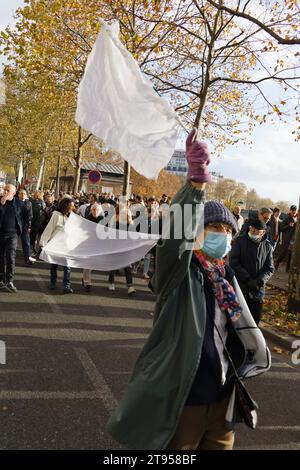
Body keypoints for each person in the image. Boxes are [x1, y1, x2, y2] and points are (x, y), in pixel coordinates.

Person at [106, 129, 270, 450]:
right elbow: (173, 240)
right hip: (186, 400)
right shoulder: (179, 272)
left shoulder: (226, 278)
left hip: (223, 400)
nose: (221, 235)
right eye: (213, 228)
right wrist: (195, 186)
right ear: (197, 231)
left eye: (227, 230)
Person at [229, 218, 274, 325]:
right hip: (241, 288)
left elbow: (270, 268)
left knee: (254, 321)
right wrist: (248, 279)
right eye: (252, 230)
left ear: (262, 233)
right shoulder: (239, 241)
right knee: (238, 322)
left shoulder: (267, 246)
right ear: (249, 228)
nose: (254, 233)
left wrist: (260, 281)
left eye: (257, 232)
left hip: (258, 290)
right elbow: (234, 263)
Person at [39, 196, 74, 294]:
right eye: (71, 206)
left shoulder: (72, 216)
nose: (72, 207)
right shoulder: (56, 215)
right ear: (65, 206)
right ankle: (53, 283)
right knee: (54, 265)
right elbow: (49, 228)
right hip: (55, 244)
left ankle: (66, 286)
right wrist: (43, 242)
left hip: (67, 245)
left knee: (67, 265)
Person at [0, 184, 29, 292]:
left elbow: (26, 217)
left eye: (8, 190)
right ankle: (1, 280)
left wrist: (22, 229)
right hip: (0, 234)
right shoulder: (0, 201)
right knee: (0, 257)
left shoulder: (19, 203)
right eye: (4, 190)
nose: (5, 191)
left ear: (13, 192)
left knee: (10, 257)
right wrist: (1, 203)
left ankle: (10, 281)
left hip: (12, 235)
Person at [82, 203, 104, 292]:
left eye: (97, 210)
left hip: (98, 245)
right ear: (91, 210)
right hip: (87, 244)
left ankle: (84, 278)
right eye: (94, 210)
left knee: (92, 264)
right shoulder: (87, 219)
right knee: (88, 263)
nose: (95, 211)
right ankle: (88, 282)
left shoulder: (103, 220)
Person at [275, 205, 297, 271]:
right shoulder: (287, 218)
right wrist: (289, 225)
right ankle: (277, 262)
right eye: (292, 210)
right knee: (284, 253)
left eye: (295, 210)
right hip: (287, 238)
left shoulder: (297, 218)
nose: (293, 211)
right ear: (290, 210)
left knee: (291, 254)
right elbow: (281, 228)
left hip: (294, 238)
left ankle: (288, 269)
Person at [18, 189, 34, 265]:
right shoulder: (15, 202)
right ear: (18, 195)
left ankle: (27, 259)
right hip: (16, 225)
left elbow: (30, 215)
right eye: (21, 193)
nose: (22, 195)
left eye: (24, 193)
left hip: (25, 226)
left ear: (26, 195)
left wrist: (29, 226)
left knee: (26, 243)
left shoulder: (29, 203)